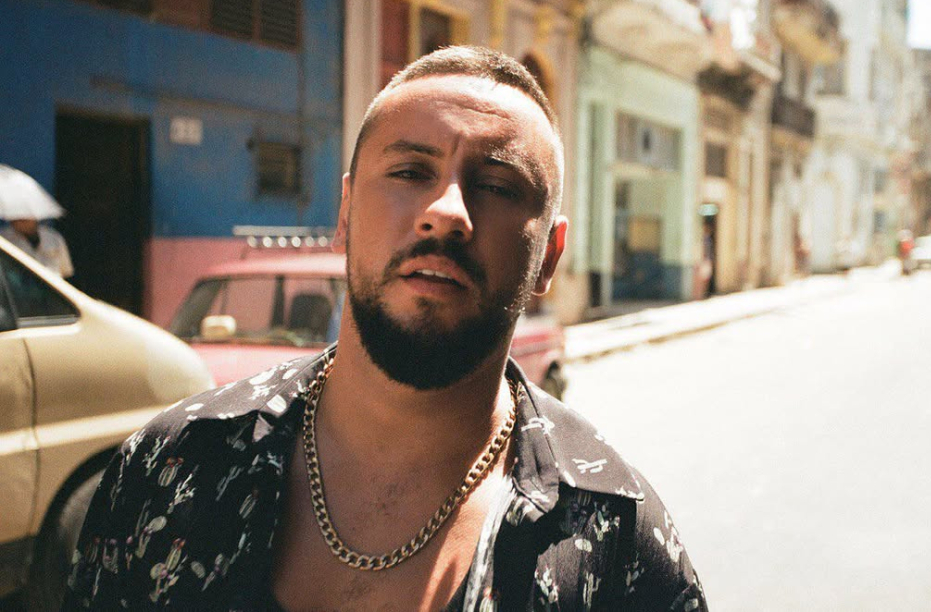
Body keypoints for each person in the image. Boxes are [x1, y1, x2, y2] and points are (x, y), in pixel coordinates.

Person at [64, 47, 707, 610]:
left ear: (549, 258)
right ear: (345, 213)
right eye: (409, 172)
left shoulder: (617, 541)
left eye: (495, 185)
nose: (446, 212)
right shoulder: (172, 467)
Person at [1, 218, 73, 278]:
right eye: (19, 219)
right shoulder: (4, 239)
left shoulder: (53, 237)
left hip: (51, 286)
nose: (22, 222)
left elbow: (65, 269)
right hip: (18, 287)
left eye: (26, 219)